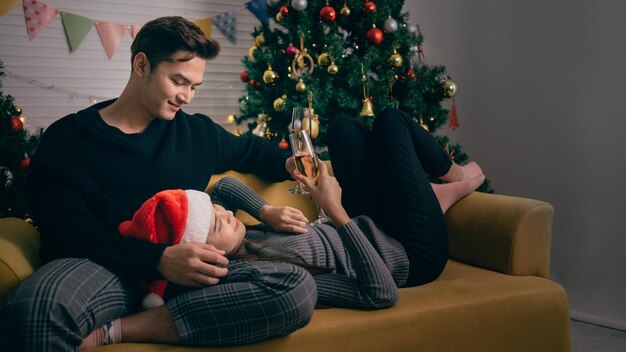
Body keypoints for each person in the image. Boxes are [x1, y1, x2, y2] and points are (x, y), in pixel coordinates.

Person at [0, 16, 316, 351]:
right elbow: (67, 232)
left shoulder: (197, 133)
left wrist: (289, 162)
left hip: (192, 276)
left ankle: (125, 329)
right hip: (109, 268)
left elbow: (254, 152)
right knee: (37, 309)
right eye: (179, 81)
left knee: (297, 289)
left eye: (194, 87)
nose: (187, 97)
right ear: (141, 65)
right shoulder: (68, 139)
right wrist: (159, 259)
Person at [115, 106, 484, 318]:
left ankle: (430, 196)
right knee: (391, 121)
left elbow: (224, 187)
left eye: (215, 211)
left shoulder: (244, 237)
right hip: (409, 252)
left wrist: (267, 211)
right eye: (216, 221)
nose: (226, 213)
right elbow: (381, 293)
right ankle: (459, 177)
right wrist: (334, 210)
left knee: (343, 128)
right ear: (209, 255)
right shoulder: (275, 271)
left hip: (371, 221)